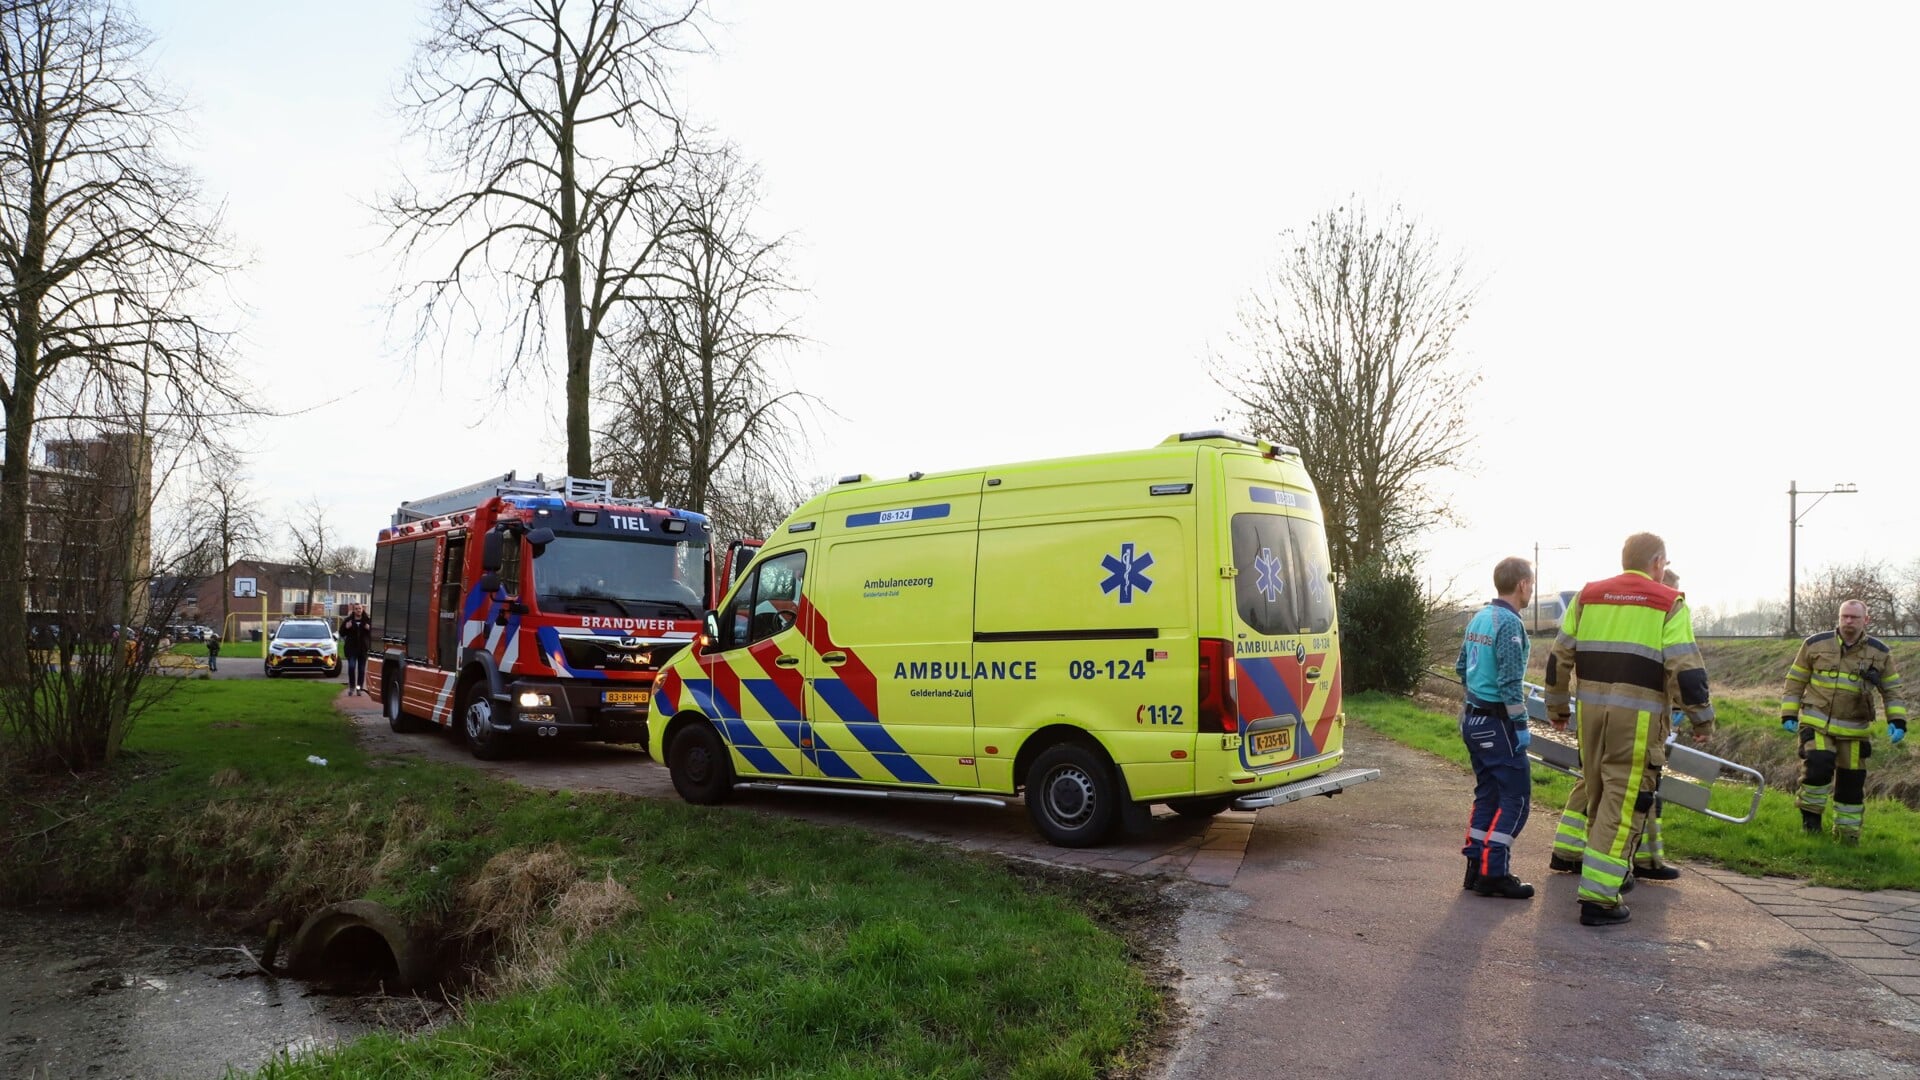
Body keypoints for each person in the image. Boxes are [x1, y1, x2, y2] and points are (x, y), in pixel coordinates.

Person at [1543, 533, 1715, 927]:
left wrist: (1557, 707)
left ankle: (1602, 874)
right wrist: (1701, 719)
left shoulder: (1587, 597)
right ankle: (1600, 898)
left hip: (1590, 716)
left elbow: (1559, 656)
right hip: (1636, 723)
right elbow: (1685, 669)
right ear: (1657, 562)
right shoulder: (1668, 602)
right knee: (1623, 805)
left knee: (1597, 794)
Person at [1781, 599, 1907, 844]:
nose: (1848, 621)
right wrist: (1788, 713)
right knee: (1818, 765)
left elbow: (1892, 689)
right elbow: (1795, 680)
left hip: (1855, 728)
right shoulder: (1814, 644)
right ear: (1839, 618)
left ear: (1865, 620)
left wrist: (1898, 720)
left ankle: (1848, 835)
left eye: (1854, 617)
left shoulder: (1880, 652)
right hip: (1816, 722)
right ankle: (1811, 822)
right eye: (1845, 616)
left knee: (1851, 782)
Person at [1455, 556, 1536, 899]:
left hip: (1472, 719)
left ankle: (1476, 868)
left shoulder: (1479, 618)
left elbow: (1461, 667)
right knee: (1516, 798)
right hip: (1496, 723)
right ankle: (1494, 872)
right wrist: (1520, 726)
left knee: (1487, 793)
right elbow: (1509, 683)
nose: (1531, 590)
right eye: (1530, 584)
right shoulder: (1509, 624)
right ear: (1521, 585)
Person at [340, 602, 374, 695]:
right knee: (351, 667)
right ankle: (351, 687)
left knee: (361, 670)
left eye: (360, 608)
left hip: (363, 649)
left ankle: (359, 688)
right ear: (353, 610)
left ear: (362, 609)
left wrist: (369, 629)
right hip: (352, 649)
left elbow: (375, 634)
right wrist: (346, 628)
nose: (358, 610)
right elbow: (341, 633)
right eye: (356, 609)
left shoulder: (367, 621)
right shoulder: (348, 620)